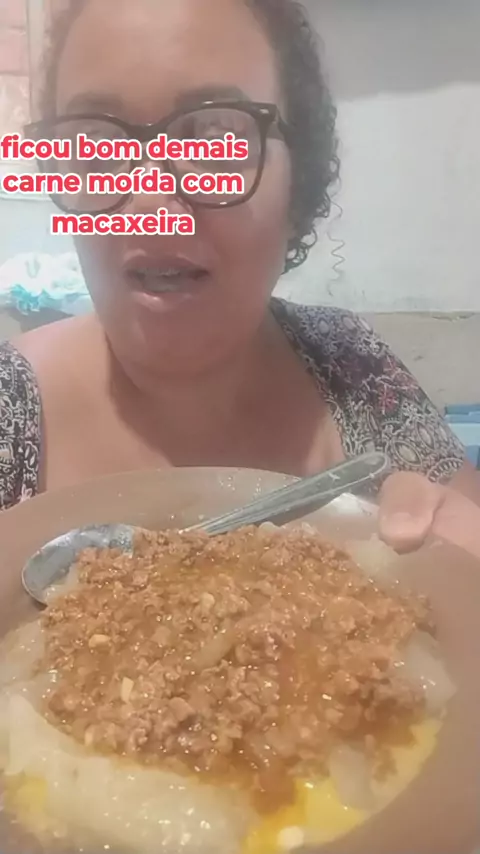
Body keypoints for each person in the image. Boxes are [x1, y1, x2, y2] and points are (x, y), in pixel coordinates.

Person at [0, 0, 479, 551]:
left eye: (213, 140)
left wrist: (452, 557)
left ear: (298, 184)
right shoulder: (12, 412)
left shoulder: (353, 367)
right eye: (97, 146)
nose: (149, 203)